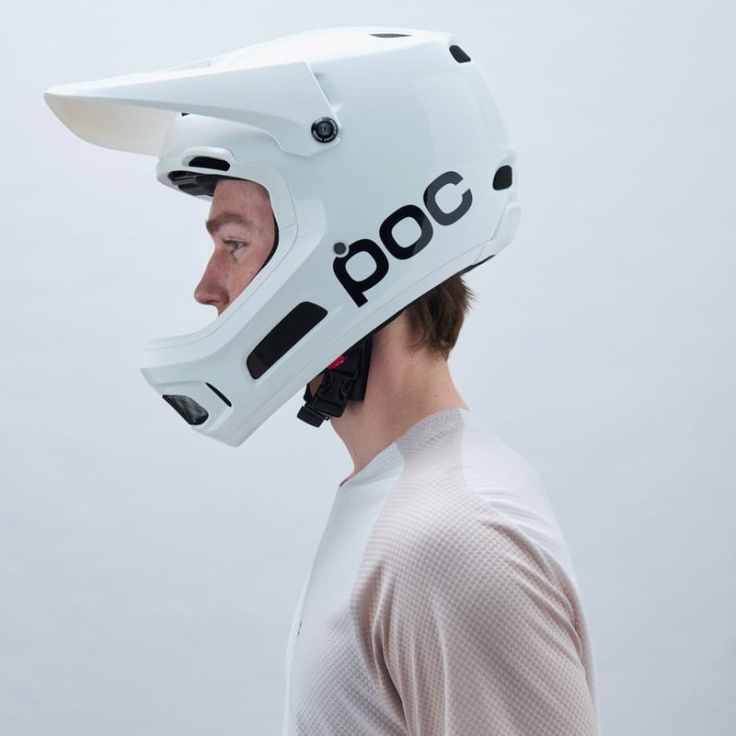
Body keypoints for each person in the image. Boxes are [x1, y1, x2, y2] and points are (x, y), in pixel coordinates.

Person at [46, 28, 598, 734]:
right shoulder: (412, 502)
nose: (207, 288)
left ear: (356, 251)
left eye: (234, 243)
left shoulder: (451, 542)